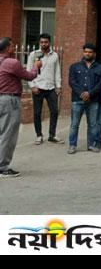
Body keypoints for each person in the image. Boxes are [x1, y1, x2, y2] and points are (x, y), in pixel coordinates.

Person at [0, 37, 41, 178]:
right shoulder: (12, 63)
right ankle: (2, 167)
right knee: (8, 134)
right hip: (9, 100)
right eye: (12, 46)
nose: (14, 48)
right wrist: (36, 66)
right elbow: (29, 76)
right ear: (7, 48)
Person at [68, 44, 101, 155]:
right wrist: (81, 93)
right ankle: (72, 145)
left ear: (94, 53)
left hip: (93, 100)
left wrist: (90, 93)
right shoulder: (75, 66)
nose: (87, 54)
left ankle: (91, 145)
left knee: (92, 124)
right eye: (86, 52)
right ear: (83, 52)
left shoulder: (100, 67)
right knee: (74, 124)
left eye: (90, 52)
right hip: (77, 99)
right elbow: (72, 82)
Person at [27, 33, 64, 145]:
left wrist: (58, 86)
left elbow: (57, 71)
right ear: (39, 43)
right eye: (42, 42)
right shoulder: (34, 54)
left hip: (51, 88)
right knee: (37, 113)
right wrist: (32, 86)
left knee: (54, 111)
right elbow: (29, 71)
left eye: (46, 42)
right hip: (38, 87)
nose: (44, 44)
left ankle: (52, 135)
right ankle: (39, 135)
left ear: (49, 42)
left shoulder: (55, 55)